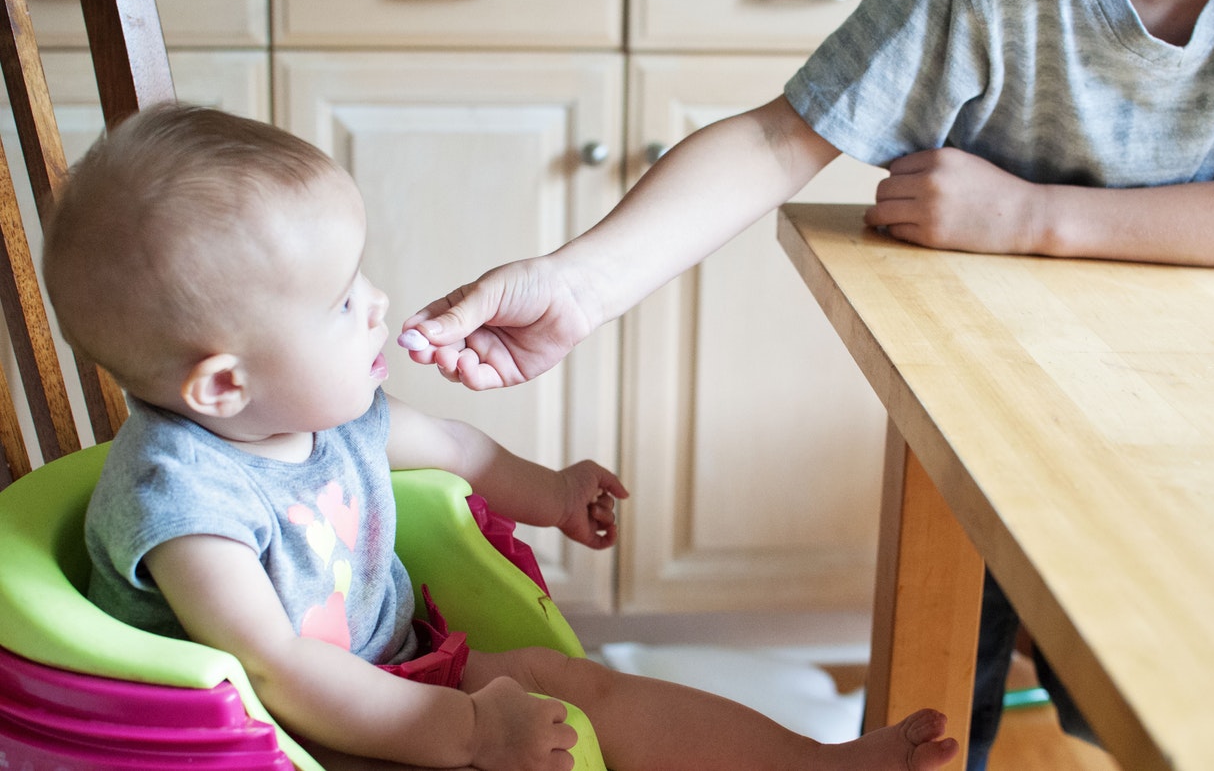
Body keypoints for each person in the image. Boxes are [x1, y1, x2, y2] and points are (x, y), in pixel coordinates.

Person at [398, 0, 1214, 767]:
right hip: (999, 402)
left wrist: (1035, 216)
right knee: (948, 678)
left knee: (1173, 690)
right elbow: (782, 136)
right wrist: (581, 284)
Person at [44, 103, 959, 771]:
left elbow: (459, 448)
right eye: (339, 304)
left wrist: (553, 493)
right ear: (223, 384)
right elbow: (274, 672)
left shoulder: (322, 413)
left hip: (397, 670)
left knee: (581, 686)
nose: (378, 305)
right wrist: (471, 732)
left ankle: (814, 764)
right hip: (274, 738)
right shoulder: (188, 505)